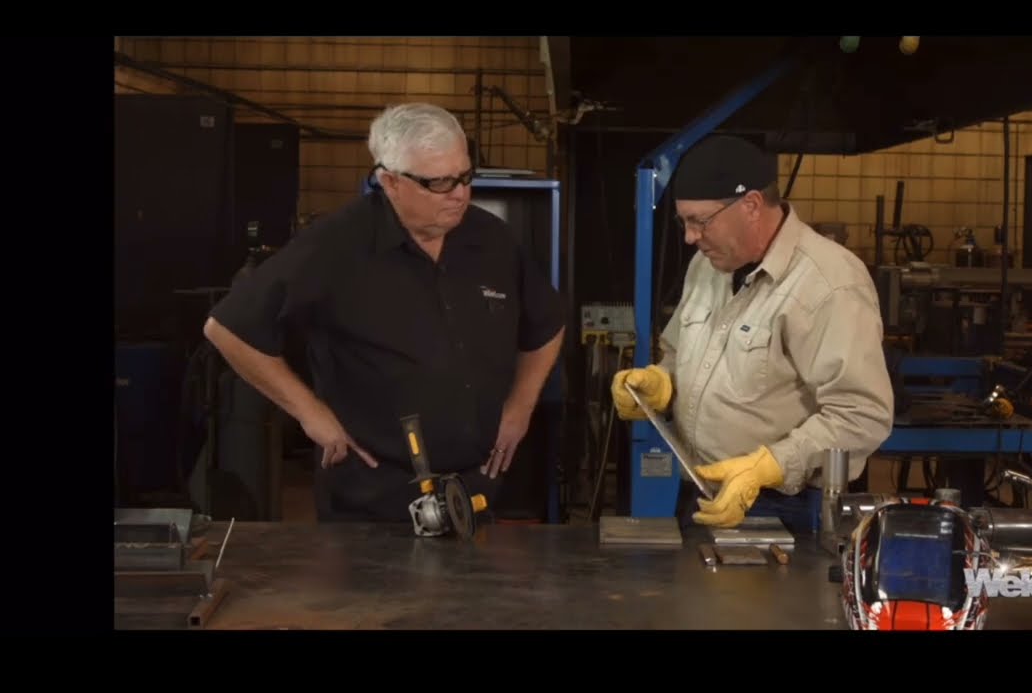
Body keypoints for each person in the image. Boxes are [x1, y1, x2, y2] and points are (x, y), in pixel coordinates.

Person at [203, 102, 565, 523]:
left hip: (474, 488)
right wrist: (309, 412)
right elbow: (228, 328)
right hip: (371, 496)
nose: (460, 193)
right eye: (439, 182)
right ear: (390, 182)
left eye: (465, 176)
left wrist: (520, 407)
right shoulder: (335, 245)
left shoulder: (493, 240)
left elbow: (547, 323)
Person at [611, 135, 894, 532]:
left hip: (785, 506)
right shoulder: (706, 267)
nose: (690, 237)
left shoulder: (828, 283)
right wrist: (662, 381)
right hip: (702, 490)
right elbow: (677, 352)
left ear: (752, 205)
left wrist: (770, 466)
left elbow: (862, 414)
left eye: (700, 221)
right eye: (683, 222)